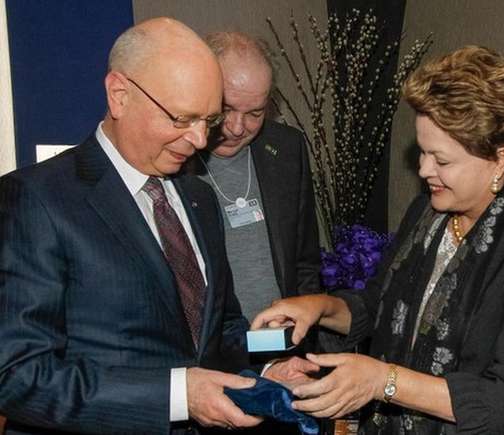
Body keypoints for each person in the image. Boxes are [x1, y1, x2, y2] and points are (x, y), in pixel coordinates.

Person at [252, 45, 504, 434]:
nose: (424, 168)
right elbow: (377, 305)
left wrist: (383, 381)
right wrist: (319, 307)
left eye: (442, 160)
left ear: (500, 159)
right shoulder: (427, 214)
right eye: (423, 152)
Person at [0, 18, 315, 434]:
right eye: (182, 119)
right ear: (120, 95)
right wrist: (179, 395)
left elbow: (217, 331)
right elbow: (18, 375)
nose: (201, 140)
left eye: (209, 119)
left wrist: (269, 364)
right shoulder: (37, 200)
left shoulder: (196, 197)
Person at [186, 31, 320, 321]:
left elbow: (305, 261)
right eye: (226, 109)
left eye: (255, 113)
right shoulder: (174, 156)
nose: (237, 128)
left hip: (281, 346)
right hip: (209, 352)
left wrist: (303, 334)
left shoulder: (287, 148)